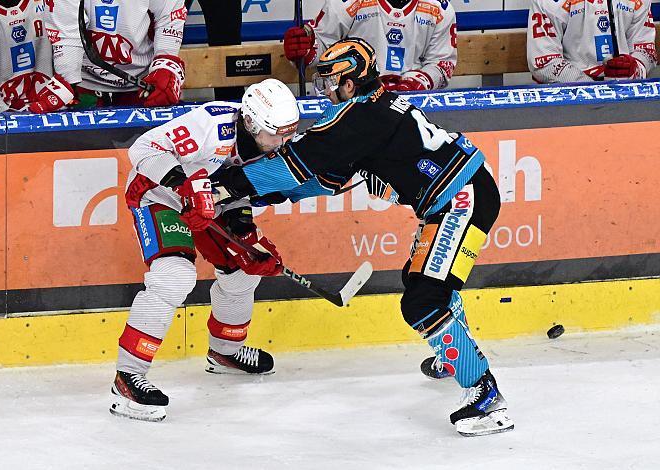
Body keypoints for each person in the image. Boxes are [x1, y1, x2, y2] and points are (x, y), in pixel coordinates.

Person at [213, 38, 513, 437]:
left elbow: (296, 164)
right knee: (424, 283)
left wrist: (227, 184)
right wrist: (258, 192)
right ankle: (455, 356)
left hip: (461, 199)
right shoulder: (369, 112)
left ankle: (484, 394)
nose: (325, 91)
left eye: (329, 82)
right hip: (464, 192)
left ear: (350, 83)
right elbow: (322, 180)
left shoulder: (356, 120)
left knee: (423, 300)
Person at [110, 78, 299, 422]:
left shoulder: (269, 149)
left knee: (244, 270)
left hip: (212, 204)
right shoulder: (211, 126)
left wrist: (245, 233)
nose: (284, 142)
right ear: (253, 123)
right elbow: (143, 150)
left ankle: (225, 352)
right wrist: (182, 184)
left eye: (289, 132)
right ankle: (128, 375)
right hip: (157, 195)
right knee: (174, 277)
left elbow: (240, 194)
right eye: (278, 134)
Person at [40, 0, 187, 112]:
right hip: (84, 87)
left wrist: (166, 63)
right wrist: (67, 79)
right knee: (81, 150)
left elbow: (169, 15)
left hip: (143, 86)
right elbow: (67, 30)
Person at [283, 0, 456, 92]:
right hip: (355, 100)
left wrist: (417, 83)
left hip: (412, 104)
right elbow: (321, 46)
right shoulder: (347, 2)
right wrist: (305, 52)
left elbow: (442, 64)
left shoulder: (440, 9)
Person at [527, 0, 656, 83]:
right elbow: (545, 63)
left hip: (626, 94)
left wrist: (634, 69)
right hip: (570, 100)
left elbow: (645, 50)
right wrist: (591, 89)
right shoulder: (549, 2)